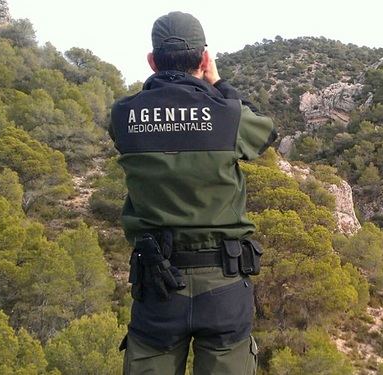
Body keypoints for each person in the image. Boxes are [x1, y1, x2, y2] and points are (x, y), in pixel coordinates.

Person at [108, 11, 276, 375]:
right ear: (203, 60)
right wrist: (220, 85)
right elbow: (266, 133)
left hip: (157, 284)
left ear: (152, 61)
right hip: (224, 282)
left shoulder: (122, 115)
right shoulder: (228, 114)